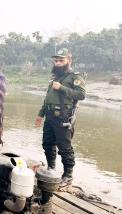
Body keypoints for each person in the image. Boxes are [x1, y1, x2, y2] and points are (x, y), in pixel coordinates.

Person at [35, 48, 86, 188]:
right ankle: (51, 168)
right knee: (47, 144)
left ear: (69, 61)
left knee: (65, 148)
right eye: (56, 60)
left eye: (61, 60)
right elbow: (47, 99)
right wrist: (40, 114)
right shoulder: (54, 78)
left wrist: (62, 88)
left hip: (63, 117)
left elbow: (81, 95)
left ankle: (68, 176)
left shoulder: (75, 77)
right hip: (50, 116)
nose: (58, 63)